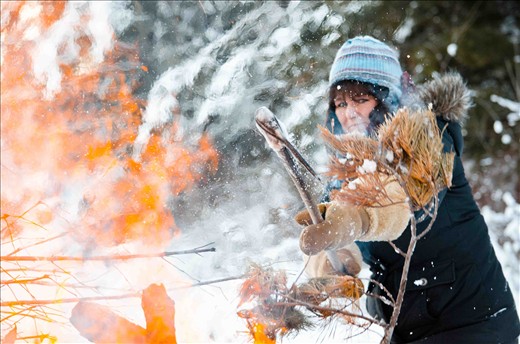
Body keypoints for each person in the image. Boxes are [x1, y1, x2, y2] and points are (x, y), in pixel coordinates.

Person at [295, 36, 520, 343]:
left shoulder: (430, 140)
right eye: (341, 103)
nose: (349, 113)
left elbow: (397, 200)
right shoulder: (346, 174)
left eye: (361, 99)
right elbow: (343, 237)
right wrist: (335, 265)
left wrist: (352, 221)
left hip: (474, 324)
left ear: (386, 97)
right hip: (409, 327)